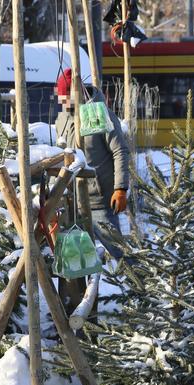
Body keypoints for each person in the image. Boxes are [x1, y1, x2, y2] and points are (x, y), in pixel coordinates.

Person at [54, 68, 130, 258]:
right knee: (80, 261)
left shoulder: (99, 114)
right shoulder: (62, 118)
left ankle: (139, 285)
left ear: (75, 93)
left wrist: (120, 188)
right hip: (73, 202)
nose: (62, 102)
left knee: (120, 254)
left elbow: (120, 150)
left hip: (100, 202)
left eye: (65, 96)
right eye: (60, 97)